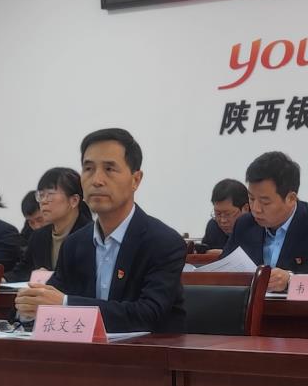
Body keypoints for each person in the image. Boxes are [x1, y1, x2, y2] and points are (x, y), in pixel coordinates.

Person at [15, 128, 186, 333]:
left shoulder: (163, 242)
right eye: (88, 169)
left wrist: (66, 304)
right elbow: (51, 296)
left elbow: (149, 314)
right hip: (83, 351)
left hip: (146, 350)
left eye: (109, 169)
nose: (97, 180)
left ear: (135, 180)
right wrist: (29, 305)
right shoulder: (74, 244)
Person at [222, 151, 308, 291]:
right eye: (251, 199)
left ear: (291, 199)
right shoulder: (244, 224)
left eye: (265, 202)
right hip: (249, 304)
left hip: (297, 305)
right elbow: (222, 272)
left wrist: (290, 281)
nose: (256, 209)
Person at [8, 166, 85, 281]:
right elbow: (23, 271)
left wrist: (49, 278)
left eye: (50, 194)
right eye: (41, 195)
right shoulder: (38, 236)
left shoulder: (90, 236)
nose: (43, 201)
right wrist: (2, 279)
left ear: (73, 200)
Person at [200, 179, 248, 251]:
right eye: (218, 214)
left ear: (245, 209)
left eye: (228, 214)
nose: (223, 220)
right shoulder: (213, 227)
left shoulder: (258, 228)